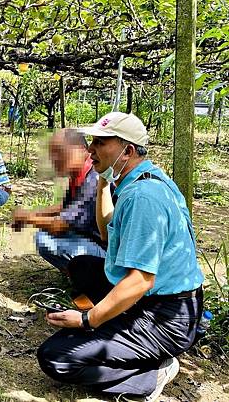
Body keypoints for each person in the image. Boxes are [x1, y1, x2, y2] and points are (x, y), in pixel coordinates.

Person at [37, 112, 204, 401]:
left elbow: (140, 280)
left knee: (56, 357)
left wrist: (88, 320)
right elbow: (106, 232)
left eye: (101, 143)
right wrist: (104, 183)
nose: (90, 150)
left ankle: (151, 376)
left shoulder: (143, 197)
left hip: (165, 316)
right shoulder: (139, 179)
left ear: (126, 151)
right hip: (162, 300)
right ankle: (120, 326)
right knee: (82, 266)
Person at [12, 129, 106, 271]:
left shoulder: (93, 180)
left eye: (59, 152)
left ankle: (92, 282)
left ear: (81, 150)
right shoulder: (80, 174)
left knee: (45, 241)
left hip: (108, 253)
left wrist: (26, 218)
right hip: (92, 239)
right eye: (52, 154)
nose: (54, 159)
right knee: (44, 234)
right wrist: (31, 214)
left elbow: (60, 224)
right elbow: (63, 207)